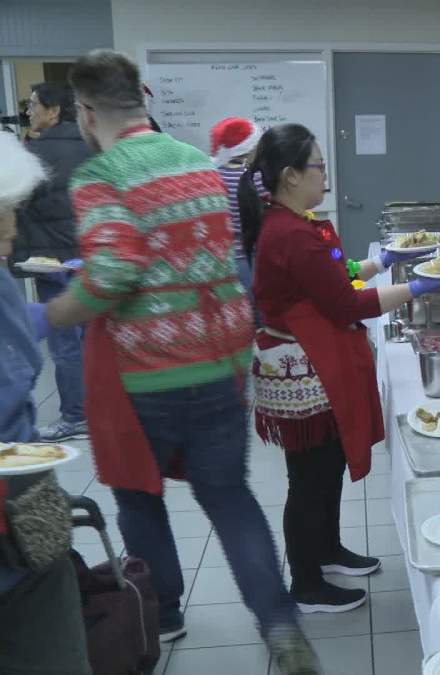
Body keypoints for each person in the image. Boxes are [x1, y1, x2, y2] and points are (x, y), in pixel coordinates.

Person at [42, 49, 320, 674]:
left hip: (147, 375)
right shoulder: (196, 162)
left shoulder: (101, 177)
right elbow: (213, 262)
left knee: (139, 497)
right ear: (142, 100)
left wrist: (53, 312)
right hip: (218, 365)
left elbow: (113, 272)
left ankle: (162, 614)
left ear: (86, 112)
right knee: (230, 499)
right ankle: (279, 623)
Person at [241, 123, 440, 613]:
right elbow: (345, 303)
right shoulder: (288, 233)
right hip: (303, 370)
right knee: (310, 475)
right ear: (291, 175)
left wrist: (384, 261)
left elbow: (335, 274)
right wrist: (421, 285)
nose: (326, 175)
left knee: (329, 463)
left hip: (316, 360)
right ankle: (305, 580)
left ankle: (327, 549)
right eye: (318, 165)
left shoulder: (304, 223)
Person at [0, 131, 91, 675]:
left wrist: (69, 304)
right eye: (3, 212)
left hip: (27, 507)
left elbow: (18, 337)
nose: (13, 227)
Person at [12, 81, 91, 443]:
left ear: (54, 110)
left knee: (65, 343)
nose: (29, 111)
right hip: (91, 258)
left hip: (52, 262)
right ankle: (101, 412)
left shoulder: (35, 152)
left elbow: (21, 202)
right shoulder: (92, 146)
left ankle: (75, 416)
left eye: (33, 105)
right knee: (94, 339)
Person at [210, 116, 267, 309]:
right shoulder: (257, 179)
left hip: (222, 263)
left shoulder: (213, 176)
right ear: (250, 148)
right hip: (253, 260)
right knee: (260, 320)